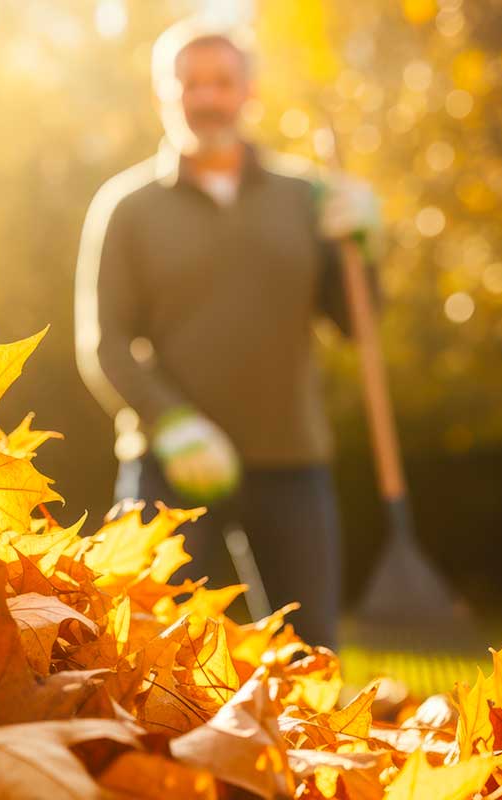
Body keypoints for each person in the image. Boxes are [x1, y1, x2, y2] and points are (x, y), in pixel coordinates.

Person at [73, 21, 385, 651]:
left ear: (249, 93)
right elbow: (103, 344)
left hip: (291, 462)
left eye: (222, 82)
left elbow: (357, 326)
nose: (207, 97)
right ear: (162, 94)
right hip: (166, 469)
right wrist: (172, 424)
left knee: (310, 659)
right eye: (189, 84)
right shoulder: (126, 206)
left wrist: (366, 249)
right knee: (152, 655)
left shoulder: (307, 198)